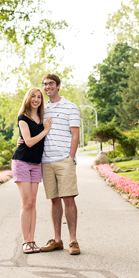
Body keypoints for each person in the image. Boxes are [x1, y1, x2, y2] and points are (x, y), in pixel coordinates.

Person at [26, 74, 82, 255]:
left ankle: (73, 240)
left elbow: (75, 134)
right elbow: (32, 127)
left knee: (68, 198)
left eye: (50, 84)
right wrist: (22, 139)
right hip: (46, 161)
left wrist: (70, 157)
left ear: (58, 85)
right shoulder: (42, 108)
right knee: (54, 200)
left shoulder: (71, 107)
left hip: (64, 160)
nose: (47, 87)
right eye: (44, 84)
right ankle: (57, 240)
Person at [12, 87, 53, 254]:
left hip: (37, 163)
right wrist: (45, 130)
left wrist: (44, 128)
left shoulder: (42, 117)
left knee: (33, 203)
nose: (36, 99)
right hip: (22, 162)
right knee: (27, 203)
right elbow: (28, 142)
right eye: (33, 97)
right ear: (28, 99)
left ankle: (32, 240)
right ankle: (25, 241)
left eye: (39, 97)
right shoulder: (23, 117)